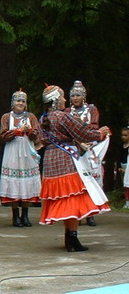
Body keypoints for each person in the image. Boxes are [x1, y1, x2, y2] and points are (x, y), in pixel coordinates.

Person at [38, 84, 111, 252]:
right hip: (65, 159)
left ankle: (69, 238)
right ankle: (72, 238)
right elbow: (82, 133)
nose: (65, 100)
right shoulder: (62, 117)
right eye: (62, 97)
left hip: (50, 161)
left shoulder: (43, 119)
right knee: (72, 199)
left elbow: (41, 139)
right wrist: (100, 133)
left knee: (62, 199)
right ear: (56, 100)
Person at [65, 80, 107, 226]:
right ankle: (78, 212)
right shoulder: (67, 112)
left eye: (78, 95)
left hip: (90, 147)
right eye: (73, 95)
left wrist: (80, 125)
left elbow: (94, 126)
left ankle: (92, 213)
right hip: (74, 149)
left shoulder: (91, 109)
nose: (75, 98)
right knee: (79, 182)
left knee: (92, 180)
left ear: (83, 96)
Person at [0, 89, 41, 227]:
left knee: (26, 182)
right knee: (14, 182)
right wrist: (17, 131)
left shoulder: (32, 117)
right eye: (18, 100)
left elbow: (37, 135)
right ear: (12, 103)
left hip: (27, 150)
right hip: (12, 151)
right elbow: (3, 135)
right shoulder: (6, 117)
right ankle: (15, 215)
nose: (20, 103)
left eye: (23, 101)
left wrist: (29, 131)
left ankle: (25, 214)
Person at [116, 126, 129, 208]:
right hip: (122, 166)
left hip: (128, 167)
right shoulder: (121, 146)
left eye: (125, 135)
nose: (123, 137)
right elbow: (119, 157)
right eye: (122, 135)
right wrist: (119, 167)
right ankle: (127, 201)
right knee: (125, 185)